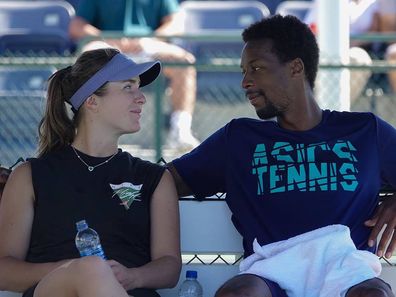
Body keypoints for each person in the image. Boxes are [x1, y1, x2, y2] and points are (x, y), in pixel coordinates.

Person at [168, 15, 396, 296]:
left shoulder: (364, 130)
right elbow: (167, 181)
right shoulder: (239, 139)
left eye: (256, 68)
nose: (245, 82)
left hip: (347, 272)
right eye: (243, 71)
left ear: (295, 68)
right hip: (270, 272)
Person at [0, 48, 181, 297]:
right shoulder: (30, 176)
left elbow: (169, 266)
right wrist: (77, 271)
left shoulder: (154, 178)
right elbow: (4, 270)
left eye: (139, 87)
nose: (142, 98)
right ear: (92, 101)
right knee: (92, 269)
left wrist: (132, 276)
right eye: (128, 87)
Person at [68, 0, 200, 151]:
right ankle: (86, 132)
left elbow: (176, 23)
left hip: (147, 44)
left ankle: (180, 131)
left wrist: (151, 38)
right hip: (108, 45)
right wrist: (106, 37)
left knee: (183, 61)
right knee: (88, 56)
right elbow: (76, 26)